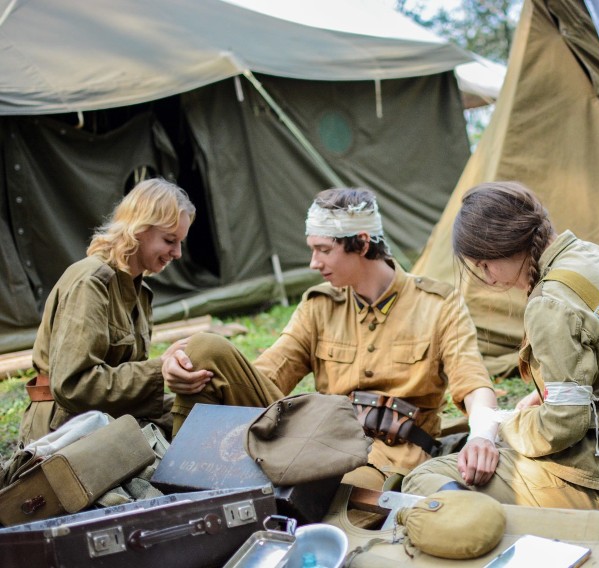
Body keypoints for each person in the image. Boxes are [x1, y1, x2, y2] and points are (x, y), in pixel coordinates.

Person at [163, 188, 499, 490]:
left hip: (390, 456)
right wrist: (189, 366)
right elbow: (265, 376)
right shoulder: (319, 305)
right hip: (317, 440)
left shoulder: (438, 304)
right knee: (204, 349)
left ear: (362, 243)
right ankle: (180, 481)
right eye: (313, 249)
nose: (313, 263)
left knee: (330, 493)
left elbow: (473, 383)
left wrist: (483, 436)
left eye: (324, 250)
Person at [402, 181, 599, 514]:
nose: (485, 277)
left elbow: (563, 425)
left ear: (498, 249)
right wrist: (546, 395)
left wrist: (502, 425)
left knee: (425, 478)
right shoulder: (597, 256)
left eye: (482, 265)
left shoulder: (549, 303)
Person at [18, 178, 196, 445]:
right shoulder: (90, 282)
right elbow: (73, 385)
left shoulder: (139, 291)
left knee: (201, 414)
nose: (178, 253)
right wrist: (159, 370)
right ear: (139, 228)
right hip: (64, 428)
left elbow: (122, 375)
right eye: (170, 240)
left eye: (180, 242)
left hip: (108, 414)